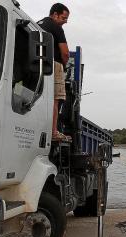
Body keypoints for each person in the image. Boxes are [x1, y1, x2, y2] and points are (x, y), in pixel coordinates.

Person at [38, 3, 70, 141]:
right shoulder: (56, 27)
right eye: (64, 18)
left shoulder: (37, 24)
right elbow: (65, 53)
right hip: (54, 64)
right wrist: (63, 66)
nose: (65, 21)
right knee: (55, 100)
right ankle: (53, 132)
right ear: (55, 14)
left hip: (37, 64)